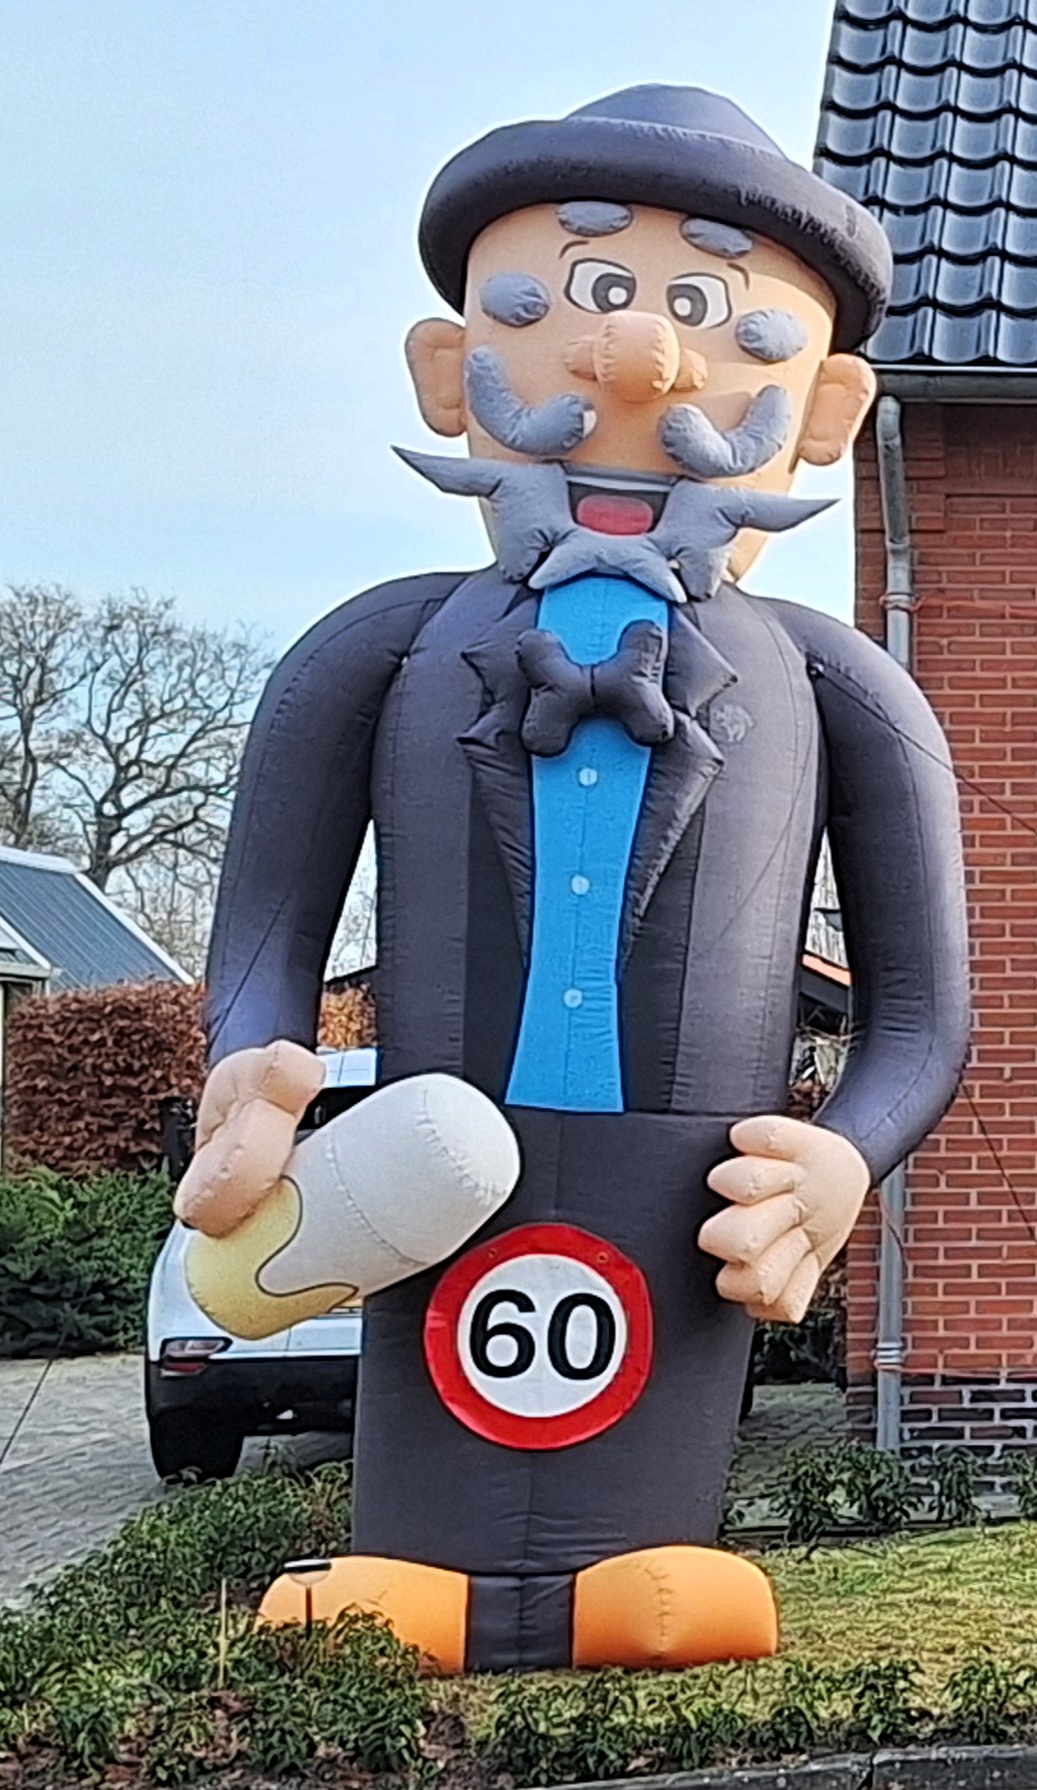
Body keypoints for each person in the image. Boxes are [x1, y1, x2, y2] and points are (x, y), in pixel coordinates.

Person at [176, 86, 971, 1674]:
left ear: (826, 407)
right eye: (577, 297)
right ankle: (414, 1564)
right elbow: (266, 926)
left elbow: (924, 1010)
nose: (639, 360)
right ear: (446, 365)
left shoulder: (838, 686)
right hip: (434, 1132)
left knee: (655, 1341)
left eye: (721, 322)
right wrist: (249, 1068)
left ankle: (646, 1553)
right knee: (439, 1232)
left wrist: (841, 1158)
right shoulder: (379, 647)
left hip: (692, 1161)